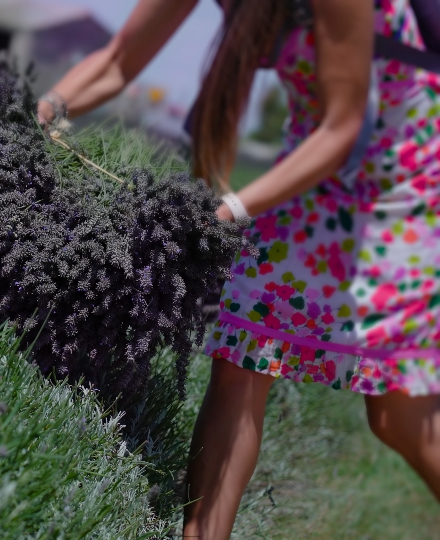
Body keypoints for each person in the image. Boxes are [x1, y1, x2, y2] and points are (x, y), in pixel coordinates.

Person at [37, 0, 440, 538]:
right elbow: (117, 59)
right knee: (243, 355)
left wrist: (230, 212)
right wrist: (45, 109)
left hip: (406, 174)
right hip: (311, 161)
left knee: (397, 419)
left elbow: (342, 127)